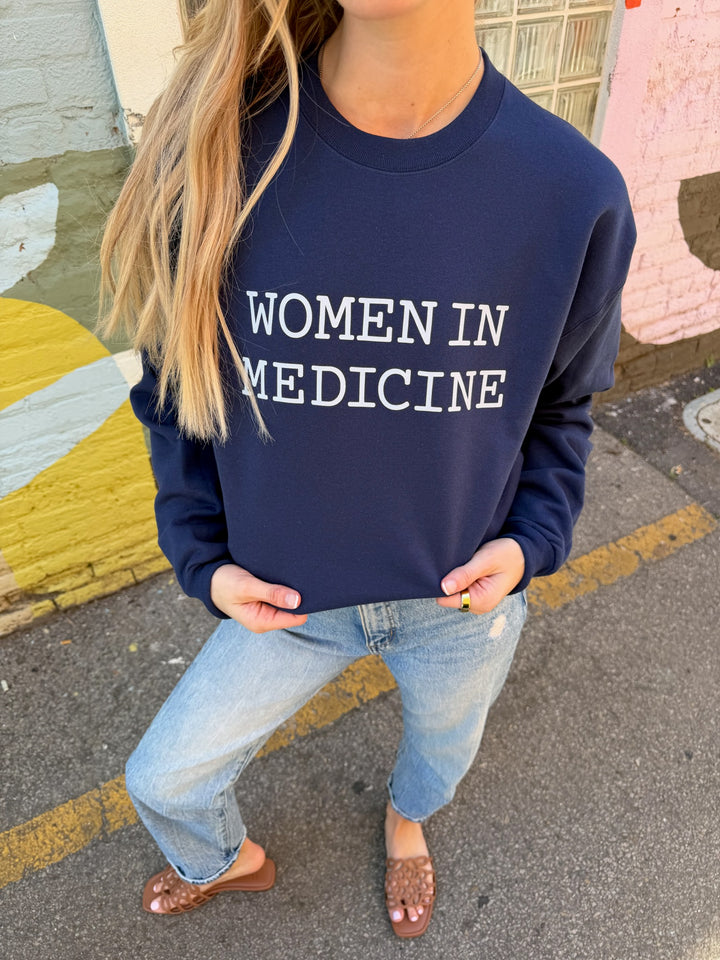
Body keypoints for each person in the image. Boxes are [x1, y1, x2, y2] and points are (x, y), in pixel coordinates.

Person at [98, 0, 636, 939]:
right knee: (163, 779)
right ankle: (224, 862)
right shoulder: (219, 157)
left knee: (440, 757)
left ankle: (405, 824)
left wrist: (531, 543)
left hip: (457, 610)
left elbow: (561, 405)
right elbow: (175, 389)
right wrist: (202, 559)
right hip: (285, 606)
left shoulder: (572, 190)